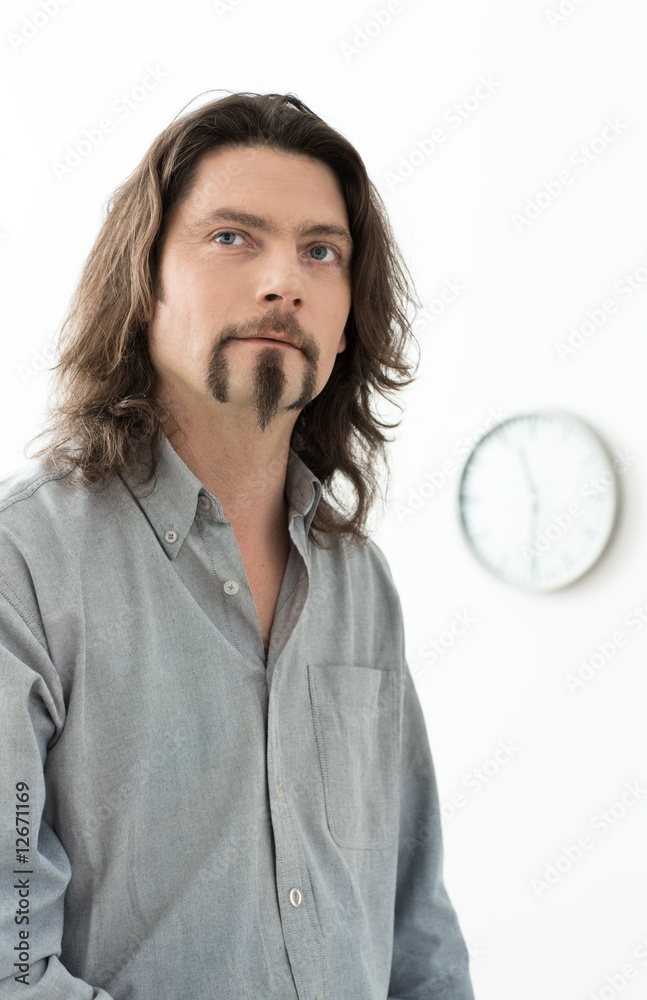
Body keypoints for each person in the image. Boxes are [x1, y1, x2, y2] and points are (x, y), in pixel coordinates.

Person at [0, 90, 475, 999]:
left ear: (347, 319)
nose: (283, 281)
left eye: (321, 251)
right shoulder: (23, 565)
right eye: (232, 238)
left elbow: (416, 931)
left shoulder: (360, 584)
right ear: (143, 282)